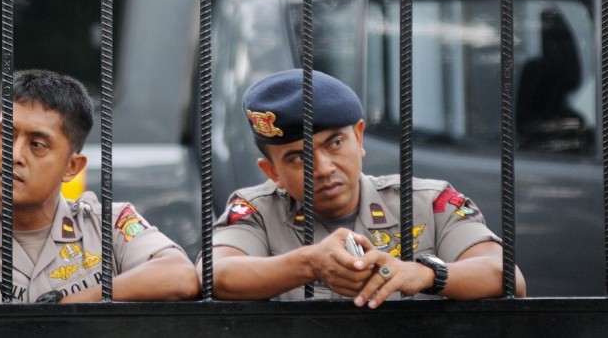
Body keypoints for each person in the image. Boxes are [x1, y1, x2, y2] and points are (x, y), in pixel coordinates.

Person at [206, 69, 526, 306]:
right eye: (296, 157)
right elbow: (215, 275)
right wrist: (310, 263)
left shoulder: (429, 202)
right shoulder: (255, 211)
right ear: (272, 171)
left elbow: (506, 275)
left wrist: (426, 275)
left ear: (359, 138)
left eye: (335, 143)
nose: (323, 168)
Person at [0, 69, 200, 304]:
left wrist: (72, 304)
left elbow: (181, 276)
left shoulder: (107, 224)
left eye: (37, 144)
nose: (15, 155)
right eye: (5, 136)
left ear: (71, 167)